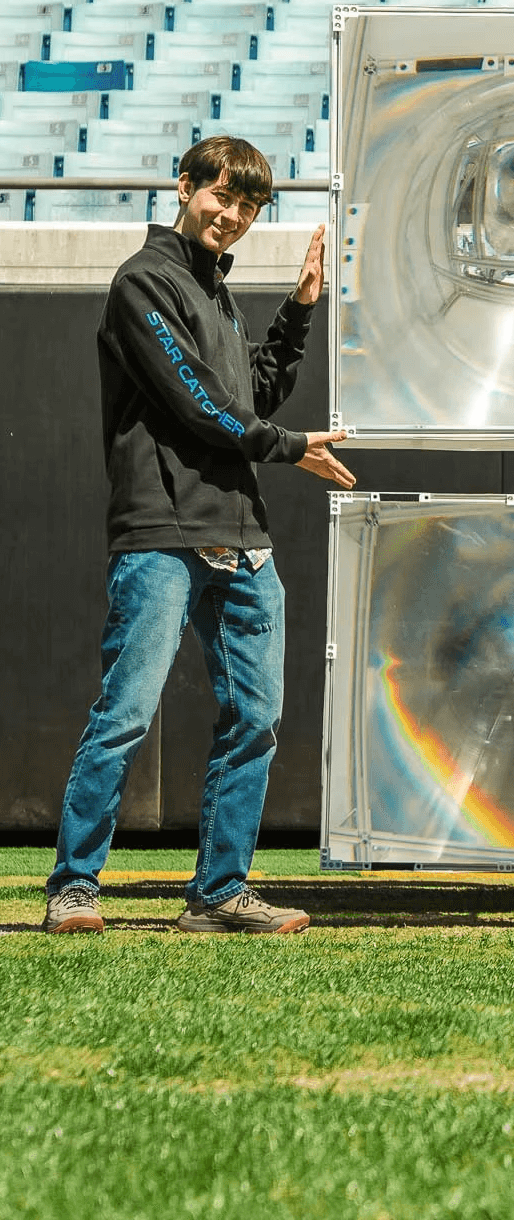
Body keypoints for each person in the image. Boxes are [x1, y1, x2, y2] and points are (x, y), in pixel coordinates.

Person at [42, 137, 356, 936]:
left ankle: (219, 896)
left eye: (249, 207)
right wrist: (289, 447)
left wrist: (300, 308)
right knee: (125, 716)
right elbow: (200, 404)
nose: (234, 215)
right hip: (160, 533)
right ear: (184, 187)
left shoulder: (215, 291)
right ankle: (73, 888)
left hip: (243, 537)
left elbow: (251, 394)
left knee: (256, 720)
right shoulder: (142, 282)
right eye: (223, 197)